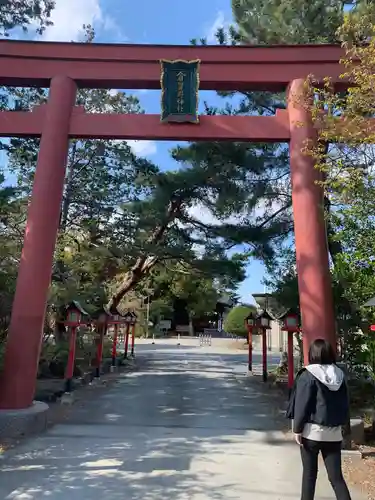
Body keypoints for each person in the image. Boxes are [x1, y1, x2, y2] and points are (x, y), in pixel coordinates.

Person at [287, 338, 352, 500]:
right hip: (334, 434)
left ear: (312, 354)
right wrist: (346, 429)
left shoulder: (307, 375)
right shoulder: (340, 375)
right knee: (336, 478)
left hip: (312, 433)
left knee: (309, 476)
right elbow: (345, 404)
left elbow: (302, 404)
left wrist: (297, 429)